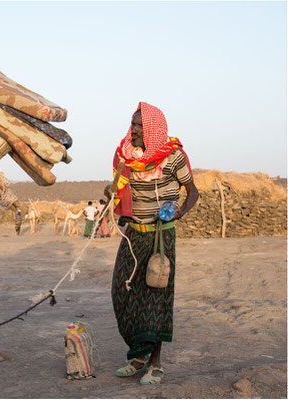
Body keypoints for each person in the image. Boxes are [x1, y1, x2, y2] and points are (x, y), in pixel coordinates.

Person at [105, 102, 199, 385]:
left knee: (155, 297)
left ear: (152, 131)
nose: (132, 130)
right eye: (132, 124)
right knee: (122, 293)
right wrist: (110, 193)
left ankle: (154, 363)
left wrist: (180, 211)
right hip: (134, 233)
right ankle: (137, 355)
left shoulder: (173, 158)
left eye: (138, 126)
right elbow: (117, 189)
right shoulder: (125, 156)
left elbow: (193, 192)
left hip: (160, 235)